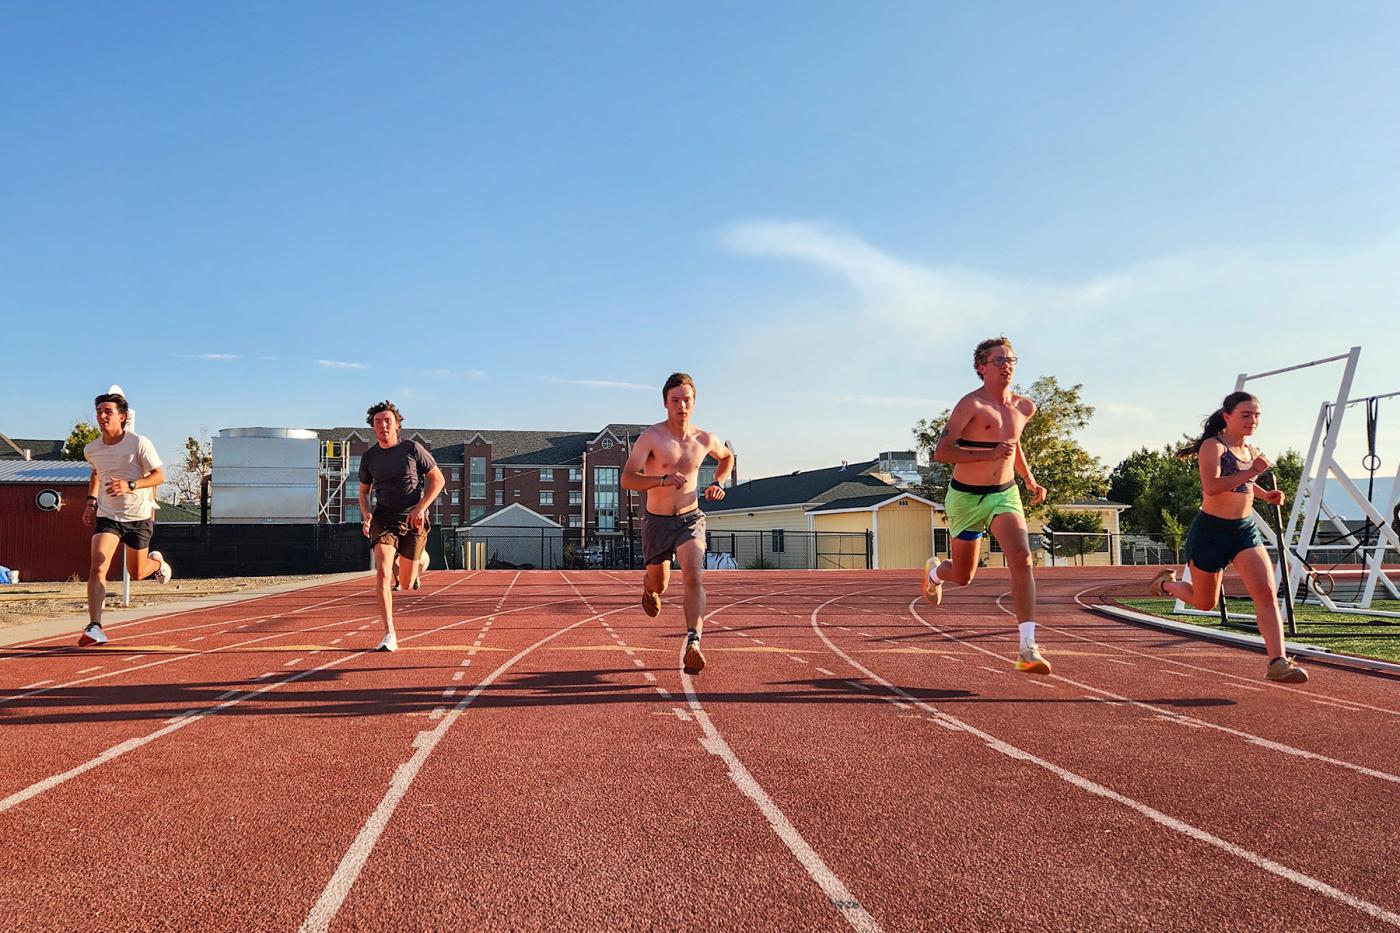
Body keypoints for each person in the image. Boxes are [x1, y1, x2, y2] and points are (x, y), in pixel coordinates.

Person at [1149, 392, 1308, 683]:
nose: (1253, 421)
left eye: (1257, 415)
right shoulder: (1214, 447)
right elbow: (1212, 487)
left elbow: (1244, 485)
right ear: (1228, 417)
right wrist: (1252, 471)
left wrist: (1266, 495)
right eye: (1246, 415)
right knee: (1205, 602)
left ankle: (1277, 661)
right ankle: (1166, 583)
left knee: (1265, 593)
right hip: (1210, 532)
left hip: (1243, 531)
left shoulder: (1250, 450)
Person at [922, 337, 1051, 674]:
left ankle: (1027, 648)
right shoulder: (971, 406)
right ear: (981, 367)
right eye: (998, 360)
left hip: (1003, 494)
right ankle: (935, 573)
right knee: (963, 577)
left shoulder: (1024, 407)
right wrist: (988, 454)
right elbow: (941, 452)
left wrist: (1029, 479)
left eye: (1011, 359)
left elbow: (1015, 444)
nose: (1006, 365)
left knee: (1022, 559)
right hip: (965, 497)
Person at [620, 372, 734, 675]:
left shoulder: (704, 439)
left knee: (694, 574)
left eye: (687, 400)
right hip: (657, 521)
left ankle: (693, 642)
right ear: (665, 404)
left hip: (690, 518)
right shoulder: (652, 437)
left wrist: (718, 481)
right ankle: (649, 588)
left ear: (694, 403)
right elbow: (627, 478)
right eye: (675, 401)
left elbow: (726, 457)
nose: (681, 406)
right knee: (661, 582)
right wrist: (661, 479)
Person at [78, 390, 172, 647]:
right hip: (108, 515)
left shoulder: (139, 443)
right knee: (98, 563)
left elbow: (158, 476)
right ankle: (95, 626)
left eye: (108, 411)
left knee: (137, 572)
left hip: (139, 515)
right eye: (99, 411)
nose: (102, 416)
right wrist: (91, 502)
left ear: (122, 416)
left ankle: (158, 563)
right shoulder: (92, 449)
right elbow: (97, 472)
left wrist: (130, 485)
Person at [357, 400, 445, 651]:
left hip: (412, 518)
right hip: (384, 518)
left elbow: (437, 480)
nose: (383, 425)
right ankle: (389, 634)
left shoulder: (412, 449)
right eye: (378, 422)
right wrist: (366, 514)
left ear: (397, 425)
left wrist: (421, 507)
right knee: (383, 573)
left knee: (406, 583)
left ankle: (419, 561)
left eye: (387, 421)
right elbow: (363, 493)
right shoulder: (369, 457)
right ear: (373, 427)